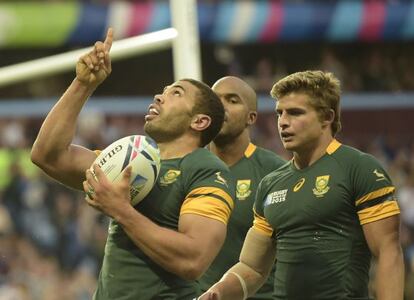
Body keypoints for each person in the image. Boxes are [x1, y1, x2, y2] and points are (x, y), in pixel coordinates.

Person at [31, 28, 235, 300]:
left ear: (199, 122)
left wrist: (121, 210)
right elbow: (48, 156)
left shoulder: (207, 169)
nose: (159, 96)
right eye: (163, 91)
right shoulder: (132, 158)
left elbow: (193, 260)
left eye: (176, 93)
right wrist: (84, 84)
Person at [199, 70, 404, 300]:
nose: (283, 122)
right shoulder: (271, 184)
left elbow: (388, 252)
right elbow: (252, 267)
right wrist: (217, 291)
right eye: (280, 113)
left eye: (295, 113)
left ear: (327, 117)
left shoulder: (359, 168)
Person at [197, 76, 285, 299]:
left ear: (251, 117)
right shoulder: (189, 166)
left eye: (232, 100)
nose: (221, 106)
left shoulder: (275, 172)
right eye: (215, 100)